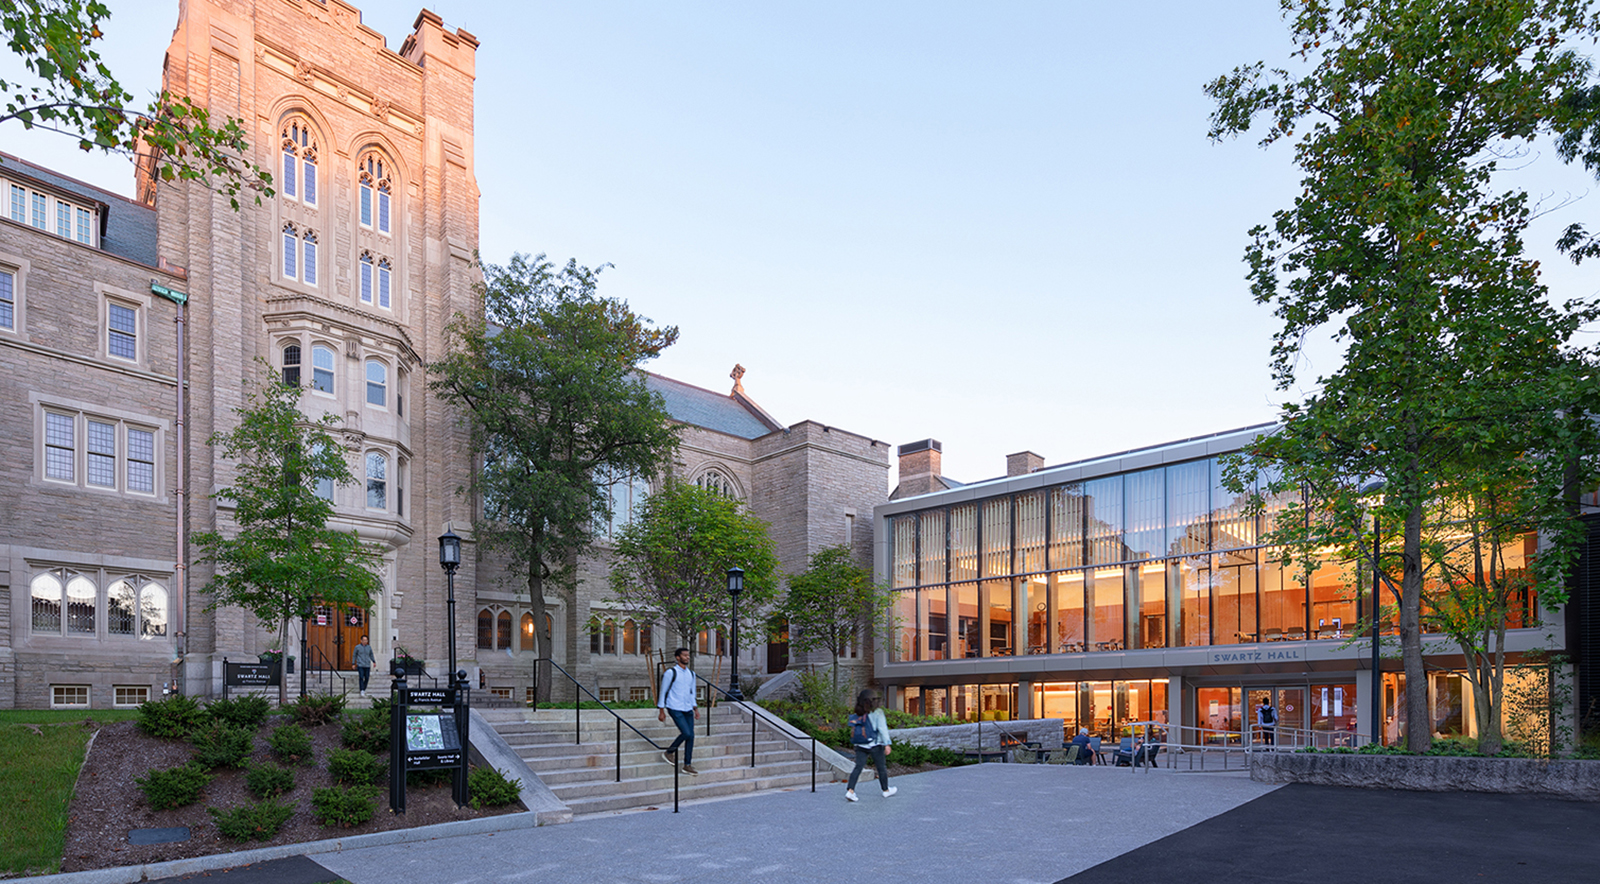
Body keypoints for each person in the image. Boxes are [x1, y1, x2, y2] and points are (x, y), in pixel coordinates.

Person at [845, 689, 896, 802]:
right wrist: (887, 744)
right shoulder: (877, 712)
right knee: (881, 768)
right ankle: (886, 790)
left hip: (860, 744)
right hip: (874, 744)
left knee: (858, 767)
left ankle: (850, 791)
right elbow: (882, 729)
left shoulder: (858, 711)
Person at [657, 647, 700, 775]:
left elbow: (692, 692)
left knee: (691, 736)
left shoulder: (691, 674)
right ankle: (669, 752)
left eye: (688, 655)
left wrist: (695, 708)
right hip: (674, 707)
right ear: (677, 657)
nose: (687, 657)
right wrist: (661, 710)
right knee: (686, 733)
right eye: (685, 655)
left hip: (687, 708)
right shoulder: (670, 673)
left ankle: (687, 765)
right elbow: (663, 691)